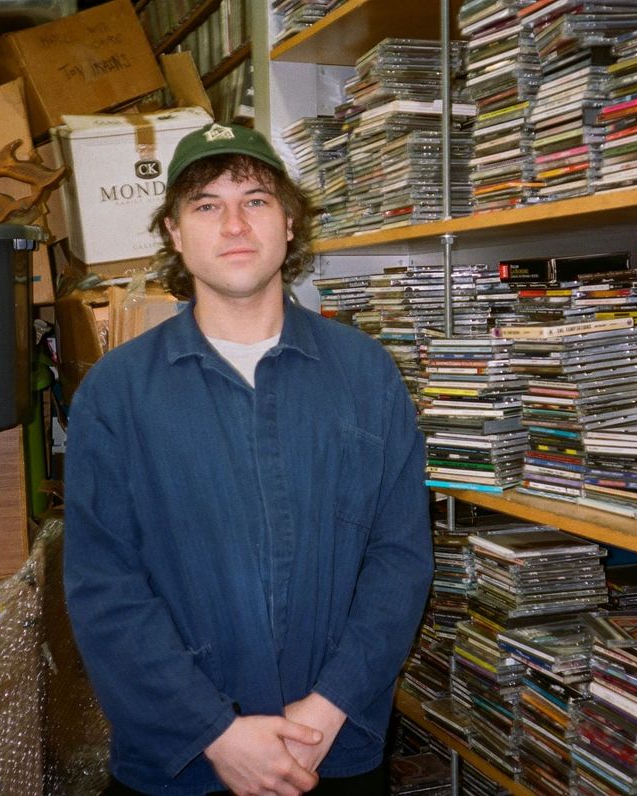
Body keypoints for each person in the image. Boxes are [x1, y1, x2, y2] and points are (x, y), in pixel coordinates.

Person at [63, 121, 433, 796]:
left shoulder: (366, 374)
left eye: (256, 200)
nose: (234, 223)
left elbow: (400, 557)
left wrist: (328, 707)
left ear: (289, 224)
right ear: (174, 232)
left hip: (331, 749)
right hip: (182, 763)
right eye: (207, 204)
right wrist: (215, 731)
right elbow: (103, 588)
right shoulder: (114, 395)